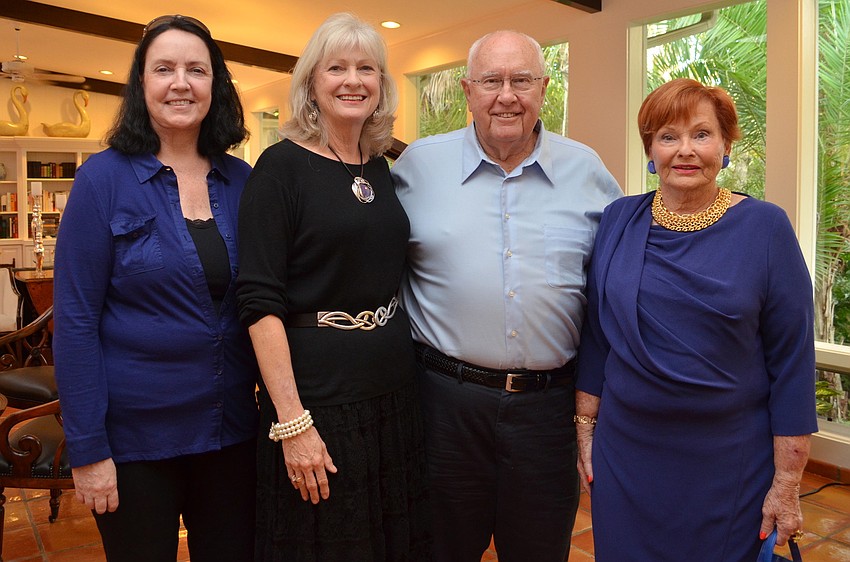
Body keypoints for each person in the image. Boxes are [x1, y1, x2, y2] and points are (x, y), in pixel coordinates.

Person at [392, 30, 622, 562]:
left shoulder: (587, 171)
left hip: (548, 414)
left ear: (544, 88)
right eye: (492, 81)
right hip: (443, 407)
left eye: (521, 80)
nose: (507, 95)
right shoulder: (418, 168)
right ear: (468, 90)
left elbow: (618, 280)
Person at [575, 77, 817, 561]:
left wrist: (788, 481)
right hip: (627, 456)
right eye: (668, 136)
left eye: (701, 135)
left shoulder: (765, 227)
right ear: (651, 149)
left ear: (725, 144)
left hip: (727, 462)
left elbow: (792, 361)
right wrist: (584, 425)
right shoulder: (618, 219)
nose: (685, 150)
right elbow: (598, 336)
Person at [53, 15, 258, 561]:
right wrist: (88, 451)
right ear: (141, 83)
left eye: (197, 69)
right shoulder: (102, 180)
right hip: (134, 445)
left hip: (232, 434)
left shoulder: (243, 182)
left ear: (215, 85)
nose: (180, 83)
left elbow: (266, 301)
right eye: (163, 69)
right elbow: (74, 323)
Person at [235, 13, 431, 562]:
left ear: (382, 84)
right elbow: (258, 303)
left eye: (366, 68)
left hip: (394, 391)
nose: (353, 80)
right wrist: (293, 423)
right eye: (336, 68)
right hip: (317, 401)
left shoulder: (382, 165)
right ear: (311, 85)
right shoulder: (279, 169)